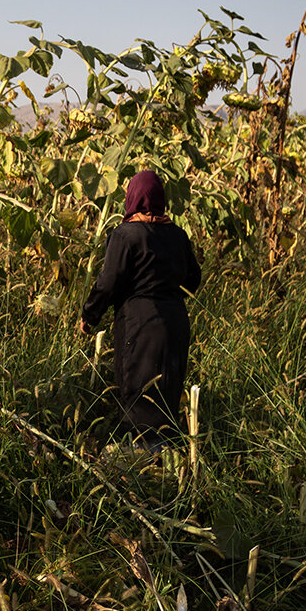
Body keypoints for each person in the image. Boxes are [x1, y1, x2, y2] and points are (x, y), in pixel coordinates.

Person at [80, 170, 201, 447]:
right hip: (175, 323)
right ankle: (169, 465)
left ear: (132, 198)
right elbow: (194, 279)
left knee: (138, 395)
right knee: (168, 392)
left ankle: (140, 468)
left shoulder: (125, 235)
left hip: (140, 324)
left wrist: (90, 316)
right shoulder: (178, 235)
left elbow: (107, 283)